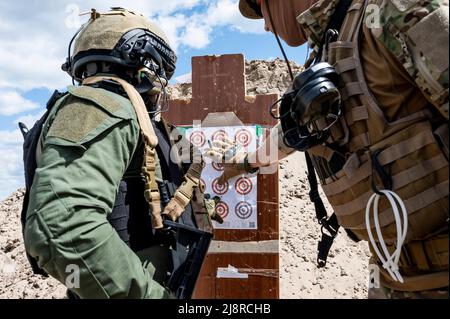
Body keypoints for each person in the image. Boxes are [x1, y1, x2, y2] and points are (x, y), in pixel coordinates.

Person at [209, 0, 449, 298]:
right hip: (393, 276)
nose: (266, 26)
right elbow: (292, 134)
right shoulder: (331, 46)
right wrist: (243, 163)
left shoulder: (391, 9)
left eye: (262, 9)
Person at [21, 8, 215, 299]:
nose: (161, 86)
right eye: (160, 70)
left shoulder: (132, 118)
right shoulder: (102, 107)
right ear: (145, 63)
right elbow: (62, 228)